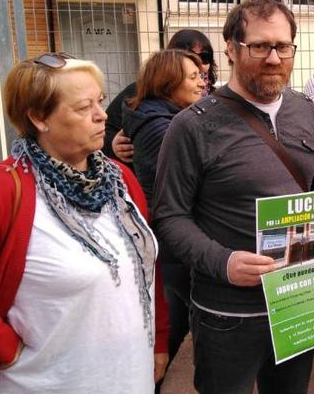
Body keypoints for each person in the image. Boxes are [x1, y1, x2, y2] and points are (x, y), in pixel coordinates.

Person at [0, 54, 169, 393]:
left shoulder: (119, 179)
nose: (101, 115)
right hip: (48, 383)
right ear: (38, 118)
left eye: (100, 101)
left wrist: (159, 339)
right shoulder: (0, 192)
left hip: (128, 378)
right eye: (82, 108)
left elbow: (146, 263)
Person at [152, 0, 314, 394]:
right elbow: (169, 215)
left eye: (283, 46)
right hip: (229, 311)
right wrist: (222, 262)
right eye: (259, 46)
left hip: (298, 301)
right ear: (230, 47)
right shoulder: (192, 126)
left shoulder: (304, 109)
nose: (274, 58)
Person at [121, 49, 206, 386]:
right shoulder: (164, 127)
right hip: (176, 239)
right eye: (193, 77)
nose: (203, 82)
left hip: (170, 238)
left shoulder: (161, 116)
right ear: (169, 83)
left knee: (175, 320)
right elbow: (189, 185)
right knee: (194, 319)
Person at [102, 28, 217, 164]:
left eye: (205, 56)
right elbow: (104, 129)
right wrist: (113, 145)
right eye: (188, 54)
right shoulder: (141, 93)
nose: (197, 60)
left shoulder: (210, 93)